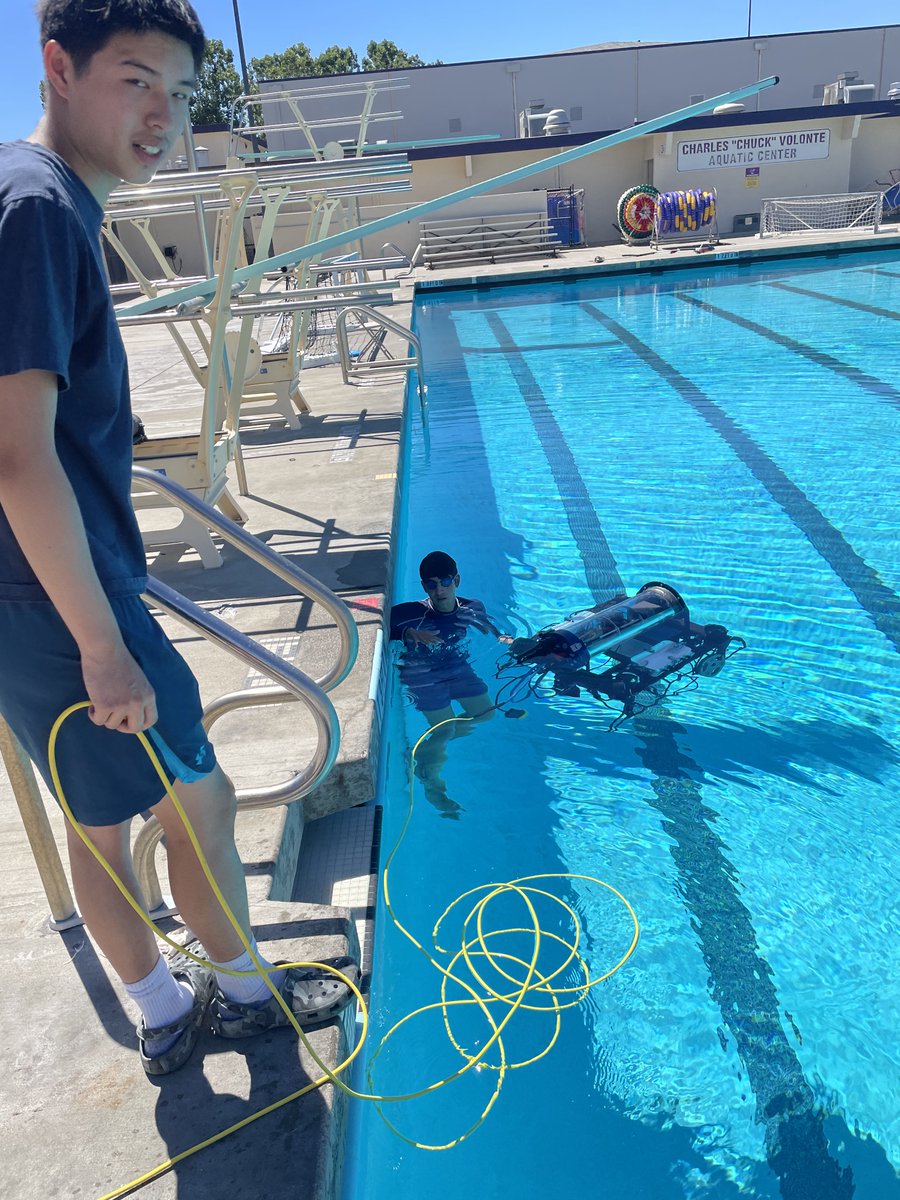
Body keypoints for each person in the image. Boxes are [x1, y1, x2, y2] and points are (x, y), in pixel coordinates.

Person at [0, 0, 357, 1078]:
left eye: (178, 90)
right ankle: (242, 999)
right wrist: (103, 642)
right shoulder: (37, 212)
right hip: (66, 601)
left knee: (98, 824)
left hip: (33, 599)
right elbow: (18, 458)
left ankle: (163, 1015)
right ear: (58, 66)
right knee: (196, 801)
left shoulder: (41, 203)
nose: (162, 112)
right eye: (134, 79)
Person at [389, 551, 509, 816]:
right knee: (445, 731)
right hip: (422, 675)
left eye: (445, 582)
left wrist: (510, 643)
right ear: (424, 587)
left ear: (457, 580)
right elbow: (378, 623)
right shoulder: (408, 614)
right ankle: (433, 785)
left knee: (486, 714)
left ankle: (424, 750)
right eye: (431, 584)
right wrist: (407, 632)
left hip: (457, 667)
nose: (439, 589)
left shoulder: (473, 608)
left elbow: (493, 632)